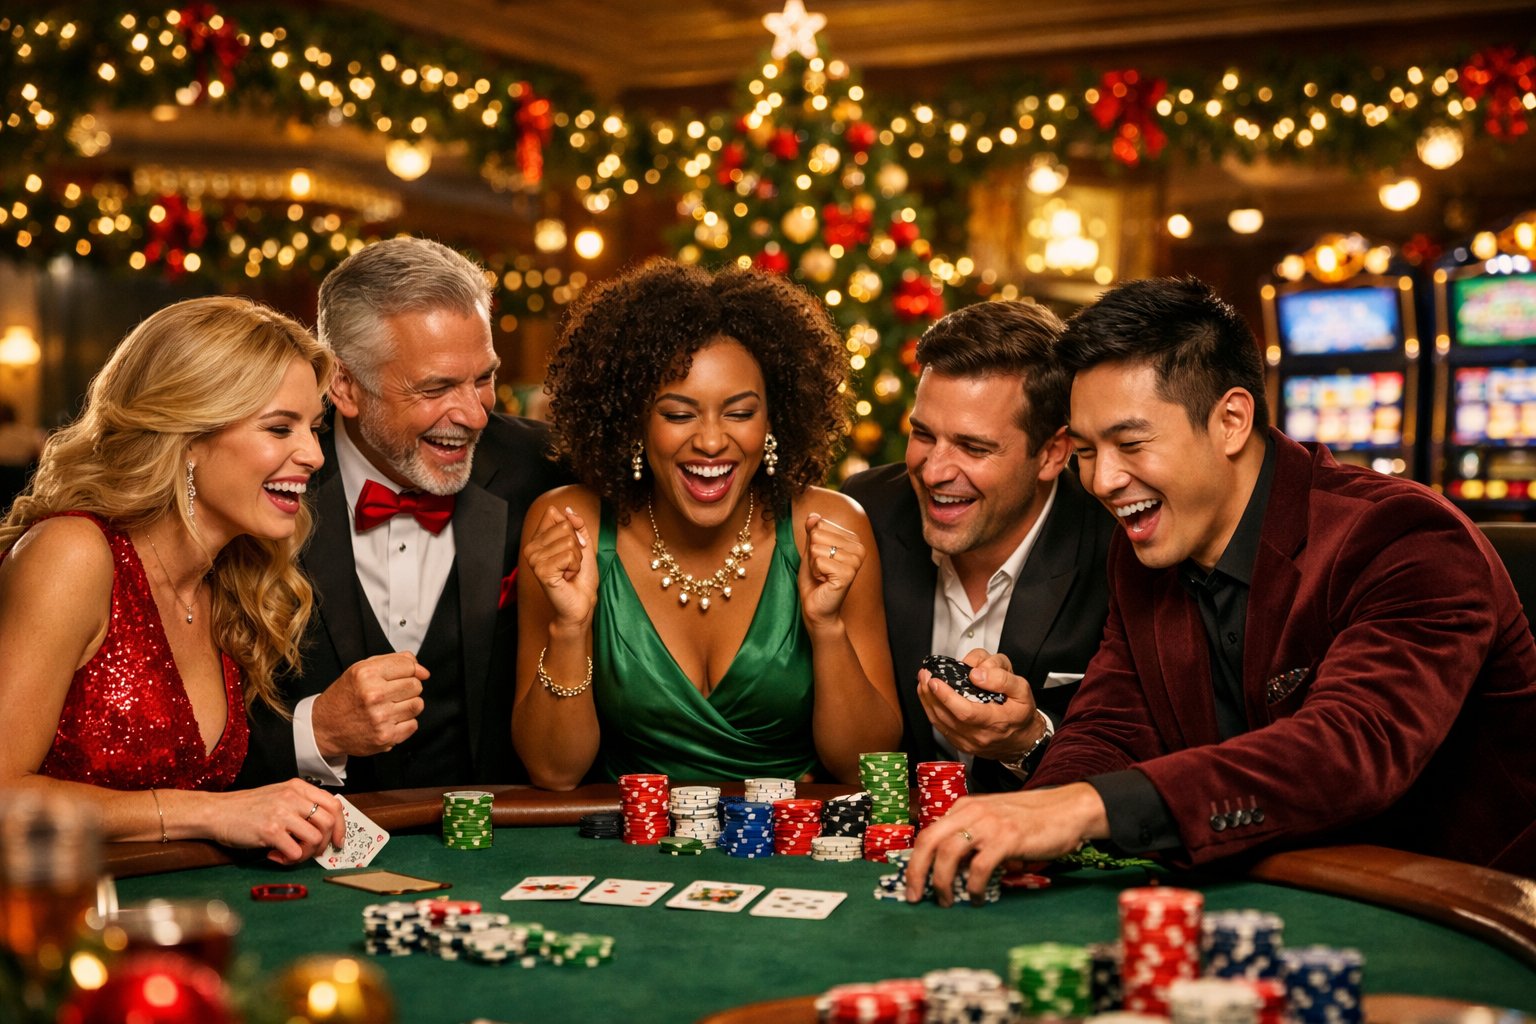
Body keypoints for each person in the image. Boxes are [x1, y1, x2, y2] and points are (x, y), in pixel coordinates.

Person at [908, 276, 1536, 902]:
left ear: (1232, 420)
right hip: (1265, 893)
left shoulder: (1403, 537)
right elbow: (1110, 728)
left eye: (1129, 444)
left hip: (1461, 910)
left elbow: (1348, 749)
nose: (1101, 481)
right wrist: (1033, 816)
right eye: (1087, 451)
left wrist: (1080, 809)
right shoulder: (1143, 557)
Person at [515, 259, 901, 787]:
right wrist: (569, 627)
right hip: (624, 850)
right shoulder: (570, 525)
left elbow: (866, 768)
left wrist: (828, 629)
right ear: (634, 419)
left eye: (740, 413)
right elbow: (554, 771)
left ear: (774, 419)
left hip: (791, 853)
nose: (713, 441)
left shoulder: (831, 528)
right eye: (678, 415)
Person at [0, 296, 345, 864]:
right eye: (280, 428)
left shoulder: (227, 584)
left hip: (178, 919)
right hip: (52, 921)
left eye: (312, 427)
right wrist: (213, 812)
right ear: (188, 438)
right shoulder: (74, 554)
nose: (312, 454)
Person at [237, 237, 566, 791]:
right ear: (343, 384)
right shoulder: (260, 485)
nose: (473, 414)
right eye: (436, 387)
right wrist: (314, 732)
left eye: (482, 378)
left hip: (505, 846)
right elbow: (187, 743)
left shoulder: (549, 469)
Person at [843, 300, 1113, 792]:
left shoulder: (1115, 550)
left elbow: (1150, 763)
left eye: (973, 447)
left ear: (1052, 453)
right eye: (923, 434)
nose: (933, 470)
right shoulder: (861, 515)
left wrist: (1030, 740)